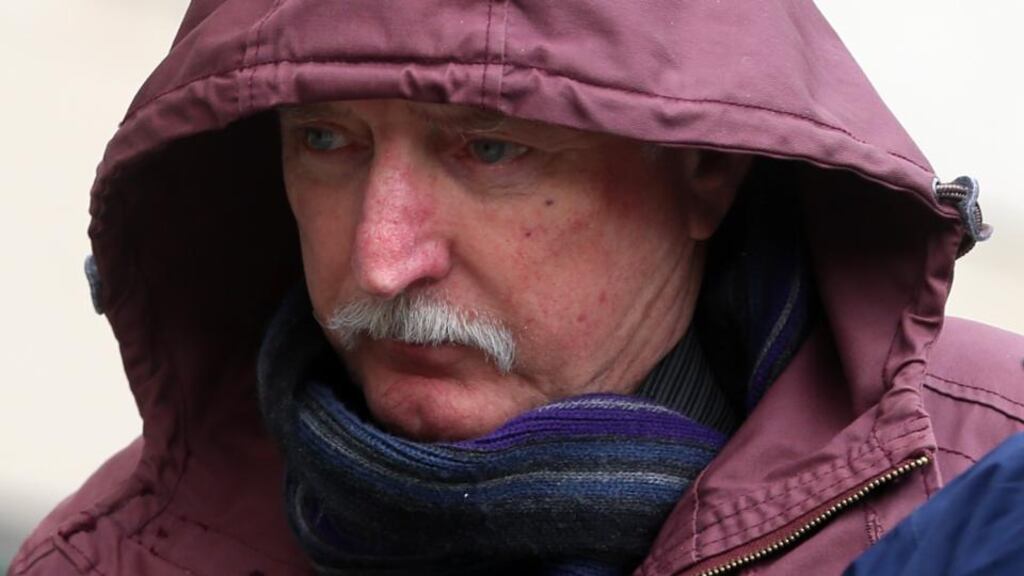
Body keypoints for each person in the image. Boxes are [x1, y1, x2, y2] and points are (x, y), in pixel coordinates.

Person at [9, 1, 1024, 575]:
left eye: (489, 149)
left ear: (705, 172)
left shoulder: (991, 480)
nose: (380, 259)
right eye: (325, 140)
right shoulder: (118, 556)